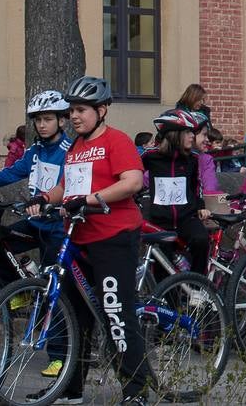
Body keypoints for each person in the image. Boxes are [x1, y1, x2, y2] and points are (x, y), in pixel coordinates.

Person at [27, 75, 152, 406]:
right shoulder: (76, 149)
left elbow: (132, 181)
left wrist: (93, 198)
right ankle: (71, 389)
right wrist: (44, 198)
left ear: (103, 110)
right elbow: (65, 188)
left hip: (114, 236)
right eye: (72, 111)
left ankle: (136, 390)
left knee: (116, 312)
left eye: (82, 110)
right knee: (74, 317)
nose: (75, 117)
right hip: (79, 239)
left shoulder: (117, 141)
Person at [0, 90, 75, 378]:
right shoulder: (35, 150)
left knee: (55, 290)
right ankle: (22, 292)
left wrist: (52, 203)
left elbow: (70, 186)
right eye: (37, 120)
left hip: (58, 227)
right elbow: (10, 174)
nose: (41, 125)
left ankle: (59, 355)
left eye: (48, 119)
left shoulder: (69, 150)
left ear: (62, 121)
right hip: (36, 223)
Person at [141, 108, 211, 275]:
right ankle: (166, 299)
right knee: (161, 265)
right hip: (161, 221)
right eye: (188, 132)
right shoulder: (150, 156)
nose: (193, 136)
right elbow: (132, 175)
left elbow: (196, 186)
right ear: (174, 134)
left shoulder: (192, 159)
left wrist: (200, 205)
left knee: (201, 240)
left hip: (186, 218)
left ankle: (196, 288)